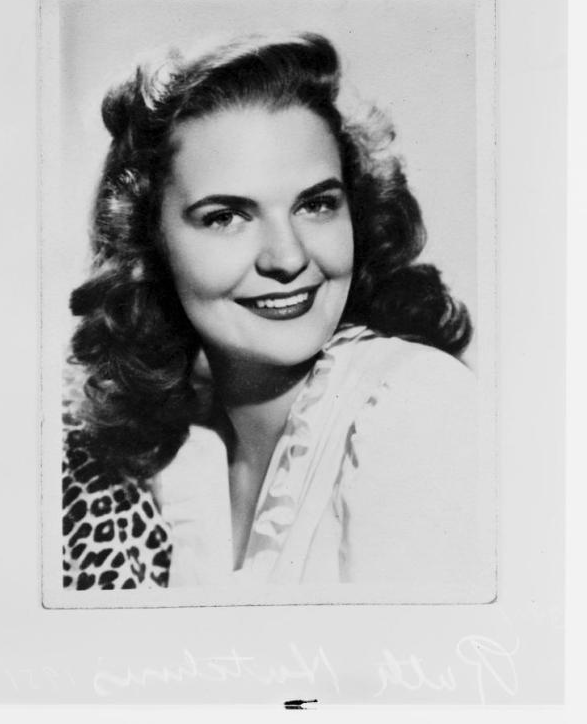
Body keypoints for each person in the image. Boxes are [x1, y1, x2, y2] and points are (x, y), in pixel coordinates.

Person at [62, 32, 488, 598]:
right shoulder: (178, 461)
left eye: (316, 205)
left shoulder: (412, 411)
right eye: (226, 217)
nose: (288, 258)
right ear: (150, 242)